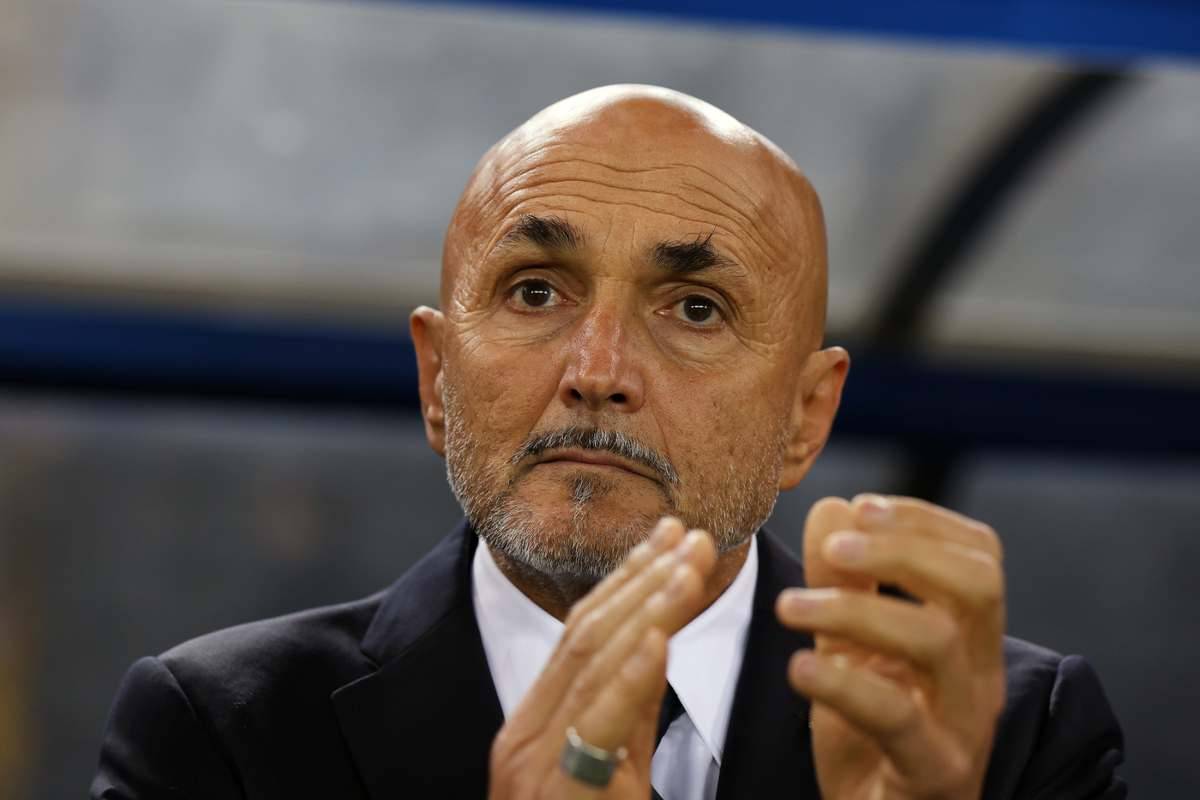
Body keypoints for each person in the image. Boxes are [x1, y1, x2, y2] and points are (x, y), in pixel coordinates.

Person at [92, 85, 1125, 800]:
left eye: (696, 308)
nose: (598, 368)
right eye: (536, 291)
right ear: (437, 379)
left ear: (806, 417)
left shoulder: (1008, 741)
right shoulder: (223, 734)